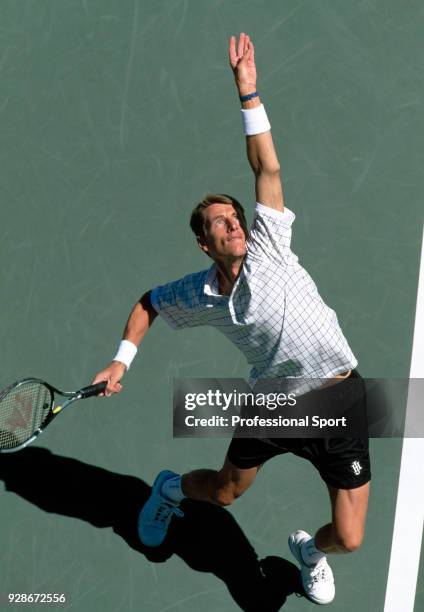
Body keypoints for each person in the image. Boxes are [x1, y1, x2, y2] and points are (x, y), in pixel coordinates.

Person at [92, 33, 371, 606]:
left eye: (235, 217)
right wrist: (121, 361)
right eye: (219, 224)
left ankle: (309, 551)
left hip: (341, 397)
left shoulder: (269, 241)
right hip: (275, 405)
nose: (233, 224)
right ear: (204, 243)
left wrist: (249, 92)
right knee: (220, 494)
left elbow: (265, 164)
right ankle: (169, 490)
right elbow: (147, 303)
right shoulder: (199, 292)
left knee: (349, 537)